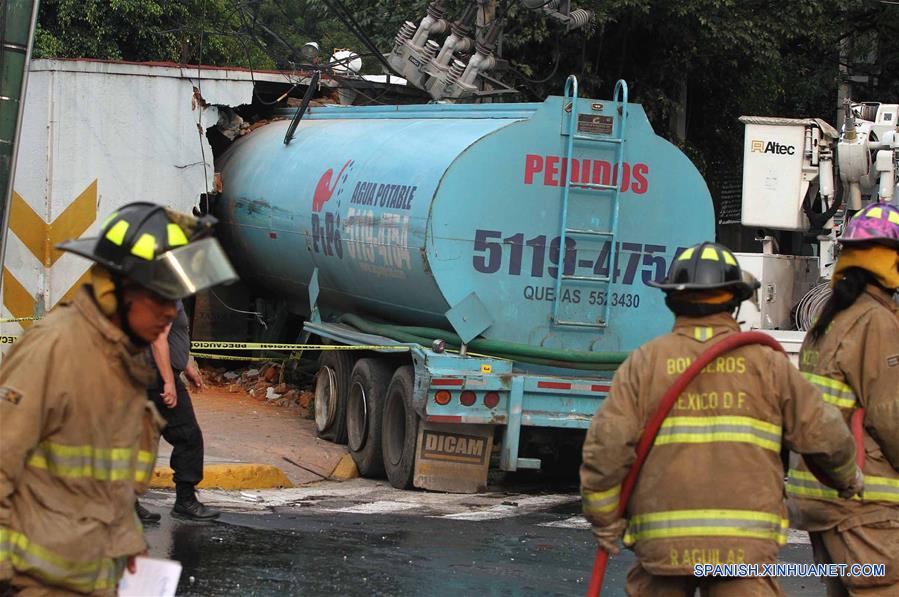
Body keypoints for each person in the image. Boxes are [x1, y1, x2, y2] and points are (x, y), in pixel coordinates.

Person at [580, 241, 863, 596]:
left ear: (671, 298)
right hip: (742, 551)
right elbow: (825, 435)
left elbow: (605, 450)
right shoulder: (766, 363)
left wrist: (604, 520)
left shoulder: (645, 362)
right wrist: (847, 478)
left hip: (662, 546)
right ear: (734, 300)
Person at [0, 203, 237, 595]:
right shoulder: (55, 351)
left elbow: (101, 485)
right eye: (160, 298)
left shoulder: (122, 362)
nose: (170, 314)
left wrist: (124, 545)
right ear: (119, 290)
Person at [787, 202, 899, 596]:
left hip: (821, 495)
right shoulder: (877, 321)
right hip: (864, 500)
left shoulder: (829, 320)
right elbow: (892, 416)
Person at [135, 299, 219, 522]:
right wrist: (169, 382)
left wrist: (186, 366)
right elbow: (158, 338)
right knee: (188, 437)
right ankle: (185, 501)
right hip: (157, 377)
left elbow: (172, 337)